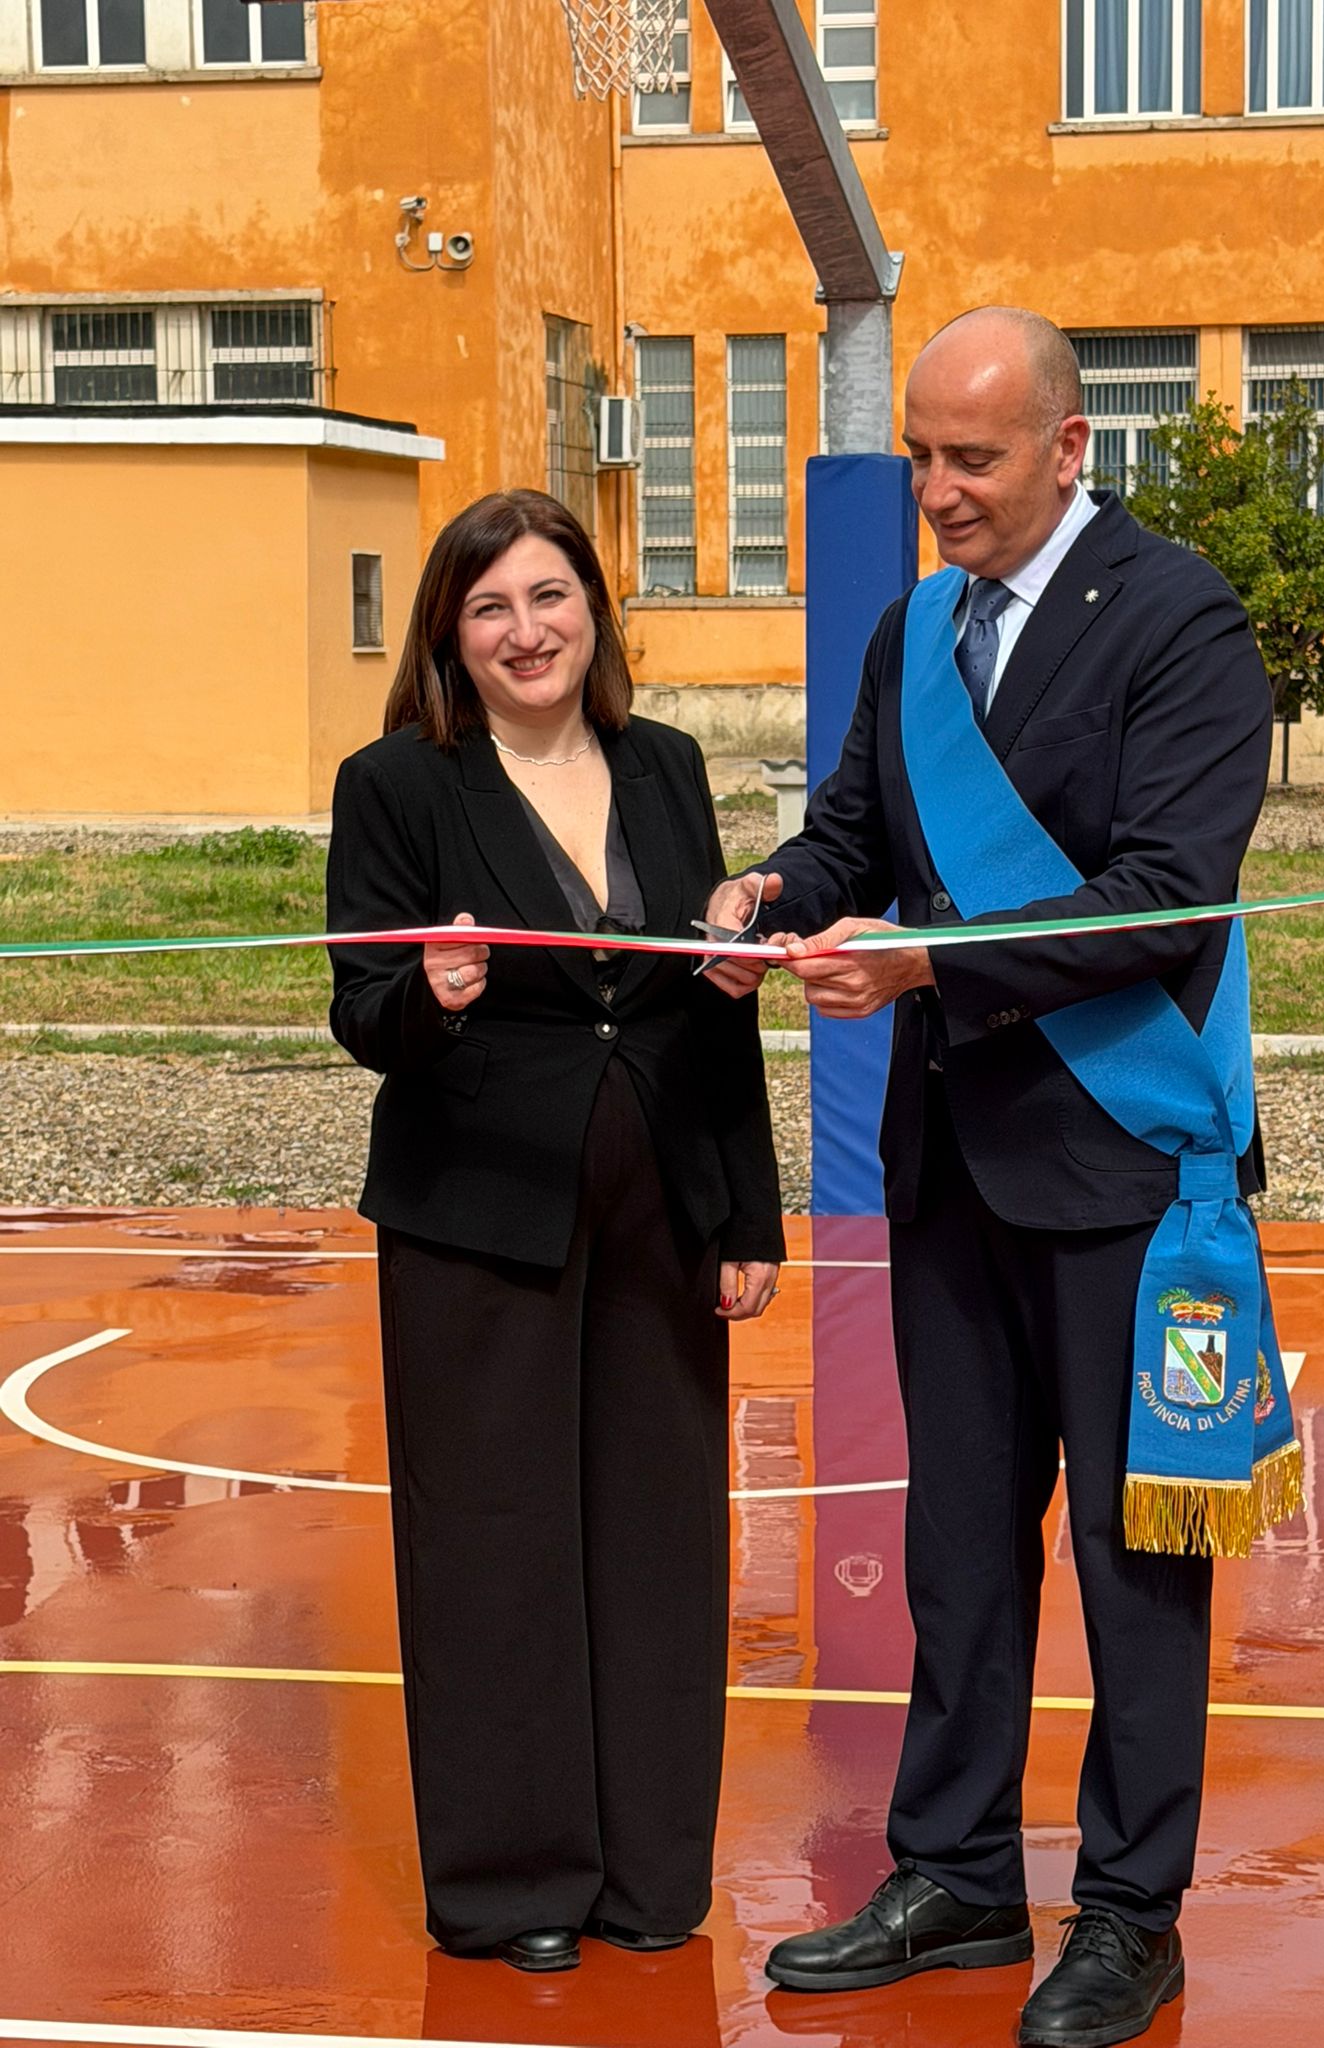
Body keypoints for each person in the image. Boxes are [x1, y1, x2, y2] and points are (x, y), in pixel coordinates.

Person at [704, 309, 1297, 2048]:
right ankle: (956, 1874)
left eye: (973, 458)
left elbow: (1167, 892)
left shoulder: (1180, 619)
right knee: (956, 1546)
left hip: (1124, 1167)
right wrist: (770, 893)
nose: (939, 490)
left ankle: (1130, 1913)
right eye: (920, 456)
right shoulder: (912, 630)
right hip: (953, 1171)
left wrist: (927, 965)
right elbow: (855, 833)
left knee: (1134, 1554)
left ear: (1069, 444)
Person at [327, 489, 784, 1976]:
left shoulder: (666, 767)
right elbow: (359, 1009)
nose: (526, 632)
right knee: (492, 1539)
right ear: (448, 637)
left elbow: (710, 1002)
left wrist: (746, 1208)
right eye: (490, 608)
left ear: (593, 609)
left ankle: (648, 1869)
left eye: (549, 597)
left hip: (661, 1203)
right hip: (478, 1211)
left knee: (658, 1531)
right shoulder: (396, 785)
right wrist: (427, 994)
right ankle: (513, 1878)